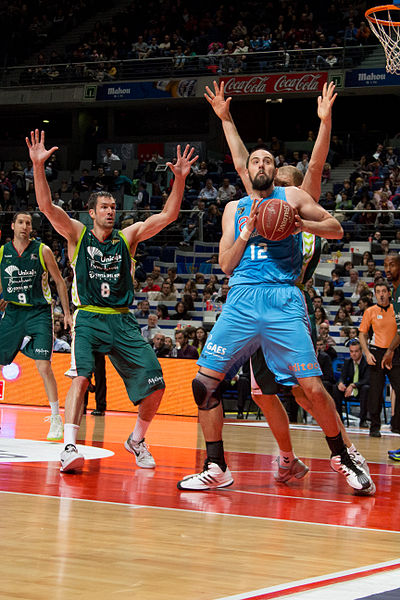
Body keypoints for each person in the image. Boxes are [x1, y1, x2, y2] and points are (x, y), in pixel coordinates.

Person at [197, 80, 371, 490]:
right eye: (254, 161)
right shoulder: (236, 208)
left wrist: (299, 222)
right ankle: (223, 465)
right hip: (242, 297)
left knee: (308, 389)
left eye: (268, 161)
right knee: (222, 388)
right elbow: (225, 262)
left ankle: (343, 454)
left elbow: (333, 220)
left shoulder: (293, 198)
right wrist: (226, 118)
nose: (259, 166)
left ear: (277, 173)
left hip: (284, 297)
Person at [27, 130, 197, 472]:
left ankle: (136, 439)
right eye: (104, 207)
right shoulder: (77, 234)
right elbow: (46, 207)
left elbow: (167, 217)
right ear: (91, 212)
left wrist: (178, 180)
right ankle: (70, 447)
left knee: (156, 384)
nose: (110, 211)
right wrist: (37, 167)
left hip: (122, 319)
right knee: (80, 377)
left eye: (113, 207)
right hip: (88, 317)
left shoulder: (127, 237)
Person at [0, 211, 72, 441]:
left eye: (28, 223)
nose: (24, 226)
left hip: (39, 312)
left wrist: (67, 313)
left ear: (32, 228)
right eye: (20, 222)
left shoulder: (42, 250)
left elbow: (60, 282)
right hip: (12, 313)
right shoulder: (3, 252)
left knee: (43, 366)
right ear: (12, 226)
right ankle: (21, 342)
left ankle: (55, 418)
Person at [359, 279, 400, 437]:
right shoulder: (370, 311)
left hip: (395, 352)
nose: (381, 295)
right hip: (376, 353)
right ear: (375, 294)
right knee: (375, 391)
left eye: (384, 291)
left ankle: (396, 424)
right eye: (378, 292)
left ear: (389, 293)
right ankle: (374, 426)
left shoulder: (396, 309)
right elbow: (362, 334)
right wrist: (367, 353)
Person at [333, 340, 370, 427]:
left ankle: (363, 420)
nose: (354, 354)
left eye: (356, 351)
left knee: (366, 388)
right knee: (335, 388)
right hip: (349, 390)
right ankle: (339, 419)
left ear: (361, 351)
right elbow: (342, 376)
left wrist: (354, 385)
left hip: (361, 389)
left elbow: (367, 379)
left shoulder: (367, 362)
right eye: (351, 351)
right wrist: (341, 383)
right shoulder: (348, 362)